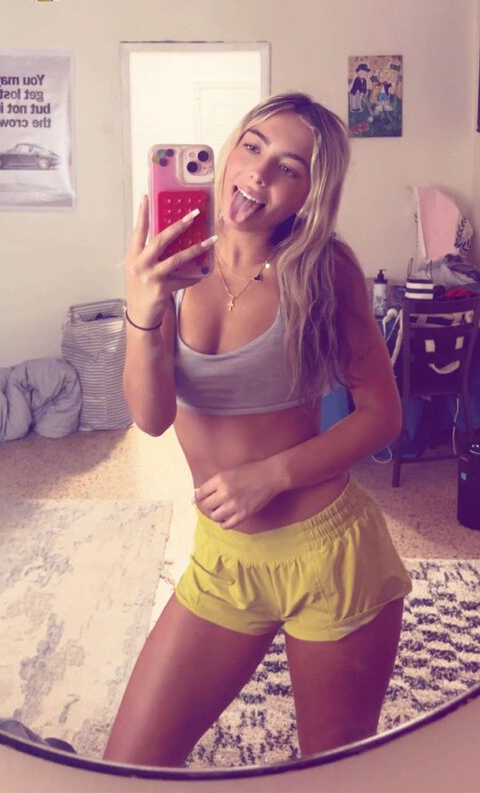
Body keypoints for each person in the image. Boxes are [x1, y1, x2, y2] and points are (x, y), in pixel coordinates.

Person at [103, 92, 412, 767]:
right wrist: (144, 306)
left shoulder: (325, 271)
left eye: (288, 168)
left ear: (308, 193)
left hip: (330, 555)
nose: (258, 174)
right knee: (129, 765)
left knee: (331, 771)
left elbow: (382, 415)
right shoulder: (172, 260)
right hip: (224, 561)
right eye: (252, 146)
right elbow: (151, 419)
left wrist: (270, 475)